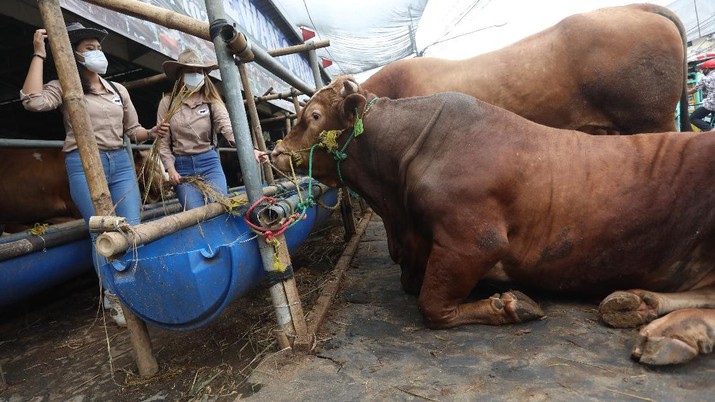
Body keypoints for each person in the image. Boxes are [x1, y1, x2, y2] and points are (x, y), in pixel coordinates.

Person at [21, 22, 169, 326]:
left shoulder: (118, 90)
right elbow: (33, 102)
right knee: (103, 233)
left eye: (99, 48)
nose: (98, 53)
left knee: (131, 229)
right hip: (85, 164)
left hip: (121, 162)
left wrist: (151, 131)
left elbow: (133, 131)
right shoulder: (65, 86)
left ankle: (134, 289)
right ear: (73, 55)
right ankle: (113, 297)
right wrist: (39, 54)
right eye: (90, 48)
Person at [157, 48, 268, 209]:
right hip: (182, 166)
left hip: (209, 162)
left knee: (218, 206)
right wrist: (170, 169)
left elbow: (228, 129)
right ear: (181, 74)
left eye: (199, 71)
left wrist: (250, 150)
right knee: (194, 212)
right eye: (190, 71)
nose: (195, 75)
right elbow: (162, 141)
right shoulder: (167, 103)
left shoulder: (212, 102)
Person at [688, 60, 715, 132]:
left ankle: (711, 130)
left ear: (707, 69)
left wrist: (684, 93)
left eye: (703, 70)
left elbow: (694, 90)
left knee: (693, 118)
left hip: (711, 104)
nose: (702, 71)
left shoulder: (705, 78)